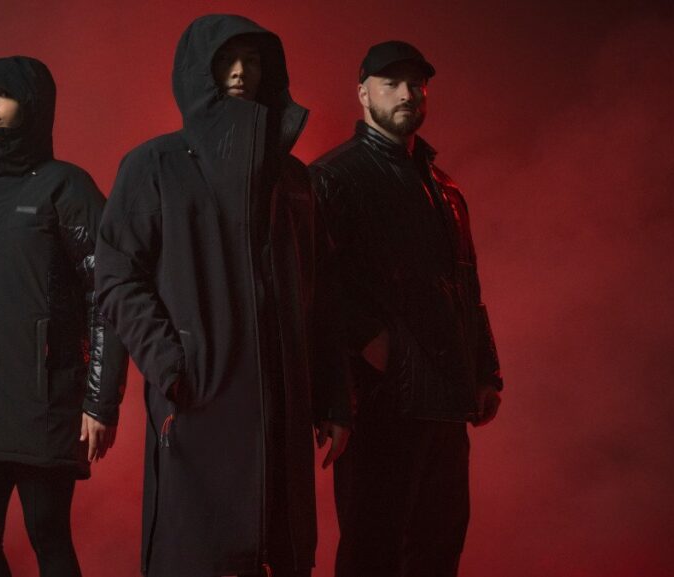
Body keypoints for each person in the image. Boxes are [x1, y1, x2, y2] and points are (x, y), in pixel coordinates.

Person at [95, 14, 351, 577]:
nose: (239, 71)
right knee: (196, 559)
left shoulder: (293, 179)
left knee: (284, 556)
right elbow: (115, 276)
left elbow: (323, 295)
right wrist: (172, 363)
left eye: (252, 59)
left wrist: (333, 399)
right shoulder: (153, 166)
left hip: (283, 408)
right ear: (197, 73)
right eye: (224, 60)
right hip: (198, 406)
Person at [0, 55, 128, 577]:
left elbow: (108, 293)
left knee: (47, 533)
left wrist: (101, 401)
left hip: (44, 399)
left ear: (33, 104)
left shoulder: (67, 186)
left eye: (1, 95)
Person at [309, 41, 504, 577]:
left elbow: (467, 285)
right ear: (362, 92)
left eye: (416, 84)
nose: (406, 93)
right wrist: (372, 340)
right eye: (391, 82)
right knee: (373, 550)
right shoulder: (332, 177)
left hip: (445, 400)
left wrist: (486, 371)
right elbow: (312, 283)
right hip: (380, 403)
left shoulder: (444, 188)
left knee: (438, 550)